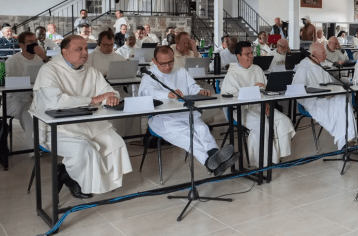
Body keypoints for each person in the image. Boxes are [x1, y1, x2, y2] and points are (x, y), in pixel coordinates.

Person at [31, 35, 132, 198]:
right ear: (65, 52)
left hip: (87, 122)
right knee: (84, 149)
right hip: (56, 127)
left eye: (86, 48)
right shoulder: (49, 70)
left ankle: (102, 182)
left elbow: (108, 90)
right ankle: (71, 176)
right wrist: (92, 99)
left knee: (115, 141)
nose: (85, 52)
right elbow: (54, 101)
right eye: (79, 49)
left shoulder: (90, 71)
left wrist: (112, 96)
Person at [139, 46, 238, 175]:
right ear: (154, 61)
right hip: (162, 119)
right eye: (163, 64)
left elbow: (192, 86)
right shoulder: (150, 75)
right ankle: (210, 162)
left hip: (184, 113)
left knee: (202, 129)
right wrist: (168, 93)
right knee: (187, 135)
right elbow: (147, 92)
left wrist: (199, 91)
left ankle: (215, 154)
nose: (168, 66)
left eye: (171, 62)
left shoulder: (180, 71)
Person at [221, 41, 295, 166]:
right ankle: (261, 161)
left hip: (259, 105)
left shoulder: (257, 69)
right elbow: (229, 97)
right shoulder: (232, 73)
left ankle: (275, 156)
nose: (251, 56)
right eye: (246, 54)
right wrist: (252, 89)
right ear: (238, 56)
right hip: (241, 110)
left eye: (251, 53)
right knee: (263, 125)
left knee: (283, 120)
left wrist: (267, 103)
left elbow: (266, 90)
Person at [292, 42, 357, 148]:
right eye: (323, 53)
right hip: (313, 101)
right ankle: (345, 141)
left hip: (327, 97)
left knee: (342, 99)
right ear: (313, 54)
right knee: (339, 106)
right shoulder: (304, 67)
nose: (326, 55)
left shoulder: (320, 65)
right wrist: (320, 94)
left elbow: (330, 82)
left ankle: (347, 139)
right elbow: (297, 90)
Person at [6, 32, 47, 149]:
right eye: (30, 42)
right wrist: (28, 82)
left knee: (50, 112)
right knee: (28, 114)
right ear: (21, 45)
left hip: (36, 97)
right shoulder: (12, 61)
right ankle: (33, 148)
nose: (34, 44)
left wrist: (44, 57)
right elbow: (5, 83)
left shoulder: (40, 59)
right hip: (16, 99)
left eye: (35, 41)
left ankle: (47, 143)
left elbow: (53, 74)